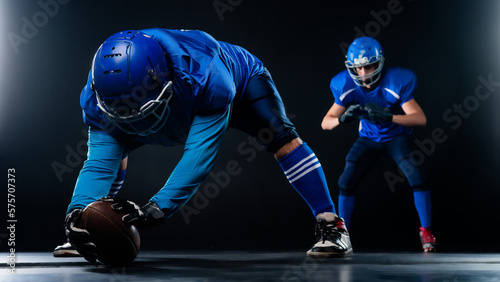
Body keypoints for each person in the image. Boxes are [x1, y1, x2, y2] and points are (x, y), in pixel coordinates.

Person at [54, 28, 352, 261]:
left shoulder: (206, 76)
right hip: (174, 99)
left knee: (281, 138)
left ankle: (332, 223)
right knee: (114, 150)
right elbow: (98, 162)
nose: (130, 119)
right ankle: (91, 224)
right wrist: (78, 213)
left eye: (137, 110)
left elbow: (198, 156)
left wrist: (156, 208)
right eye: (120, 111)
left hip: (241, 82)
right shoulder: (97, 97)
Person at [321, 36, 437, 252]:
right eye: (358, 68)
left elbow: (420, 118)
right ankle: (342, 236)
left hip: (396, 137)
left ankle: (427, 232)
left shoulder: (395, 81)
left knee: (418, 178)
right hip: (368, 138)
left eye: (369, 66)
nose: (364, 73)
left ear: (379, 62)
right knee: (346, 182)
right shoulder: (345, 84)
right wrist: (343, 118)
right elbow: (325, 123)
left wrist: (389, 117)